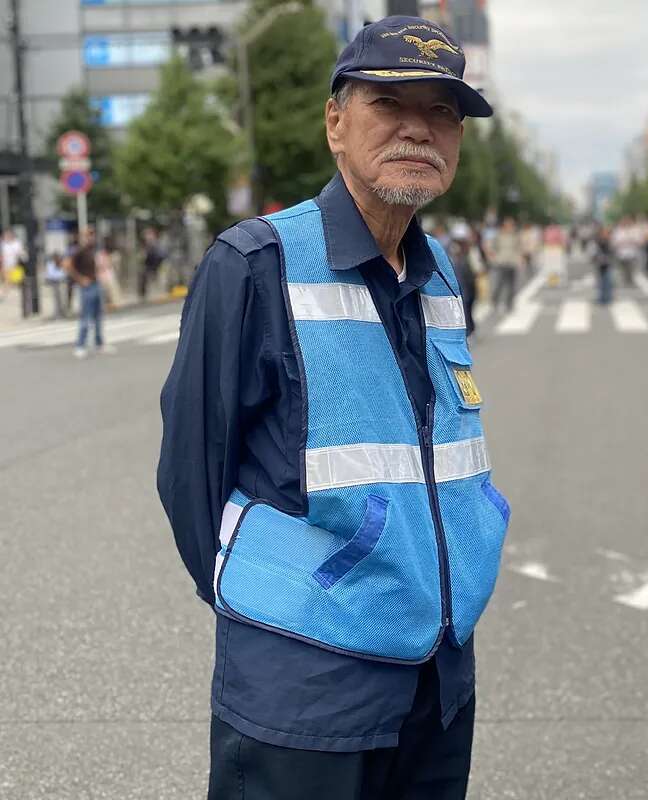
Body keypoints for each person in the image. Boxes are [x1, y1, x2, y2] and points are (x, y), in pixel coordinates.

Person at [157, 18, 508, 799]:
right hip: (305, 692)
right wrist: (270, 617)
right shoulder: (254, 264)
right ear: (335, 123)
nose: (420, 128)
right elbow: (191, 476)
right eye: (389, 102)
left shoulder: (439, 267)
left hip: (438, 675)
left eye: (444, 112)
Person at [68, 228, 113, 358]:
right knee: (86, 317)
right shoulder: (80, 251)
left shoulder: (95, 250)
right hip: (87, 287)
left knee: (98, 316)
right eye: (88, 235)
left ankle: (99, 343)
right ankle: (80, 345)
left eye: (92, 235)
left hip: (96, 284)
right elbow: (68, 265)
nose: (91, 238)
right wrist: (80, 279)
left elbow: (101, 266)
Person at [489, 217, 521, 313]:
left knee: (511, 285)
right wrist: (494, 257)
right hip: (501, 262)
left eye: (511, 225)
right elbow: (492, 247)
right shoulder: (499, 235)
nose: (510, 227)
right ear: (504, 226)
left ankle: (509, 304)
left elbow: (518, 248)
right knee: (499, 284)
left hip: (512, 263)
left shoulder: (515, 236)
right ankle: (494, 301)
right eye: (508, 225)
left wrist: (519, 259)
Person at [140, 227, 166, 301]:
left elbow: (161, 256)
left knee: (158, 283)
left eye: (148, 235)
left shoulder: (156, 244)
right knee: (149, 282)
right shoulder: (147, 246)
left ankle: (159, 296)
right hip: (151, 268)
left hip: (157, 267)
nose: (147, 237)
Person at [44, 251, 68, 318]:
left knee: (62, 298)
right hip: (54, 283)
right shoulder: (50, 264)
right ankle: (57, 313)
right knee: (56, 299)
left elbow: (63, 274)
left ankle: (63, 312)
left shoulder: (61, 264)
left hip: (61, 282)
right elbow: (49, 274)